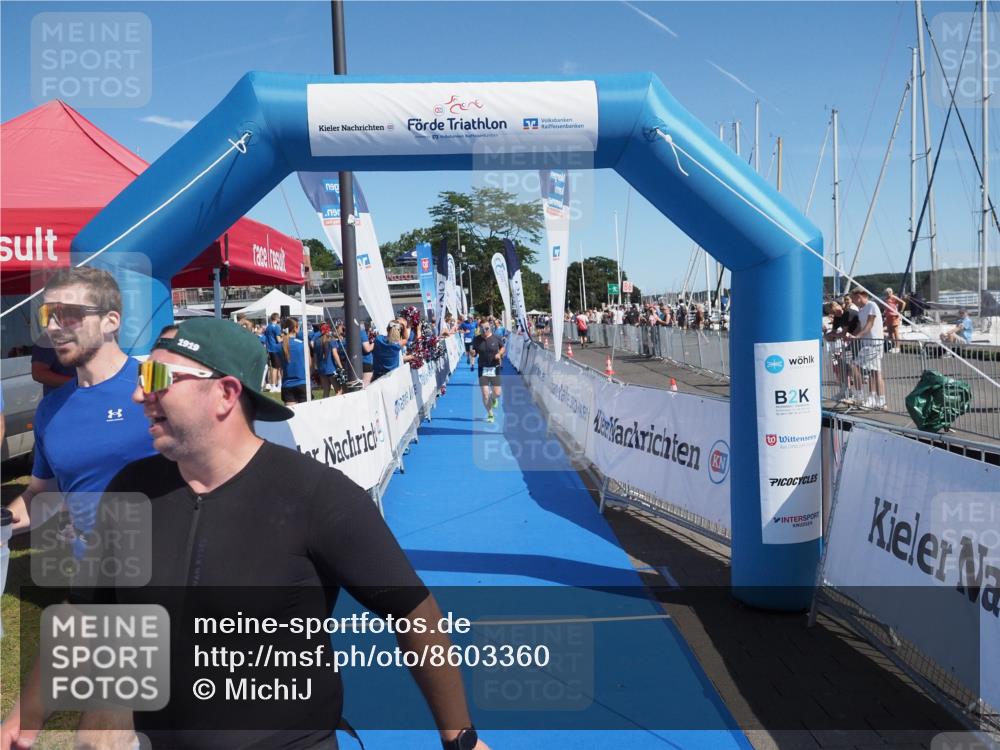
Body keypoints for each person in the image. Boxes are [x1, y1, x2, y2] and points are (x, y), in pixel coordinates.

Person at [4, 318, 490, 750]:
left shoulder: (315, 494)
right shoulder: (131, 488)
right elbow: (87, 615)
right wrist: (24, 719)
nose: (137, 393)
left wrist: (460, 738)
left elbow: (411, 610)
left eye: (155, 377)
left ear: (225, 393)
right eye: (139, 376)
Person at [5, 268, 156, 541]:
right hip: (91, 575)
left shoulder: (159, 385)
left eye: (67, 314)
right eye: (47, 315)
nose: (52, 327)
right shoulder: (50, 409)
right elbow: (44, 493)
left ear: (110, 321)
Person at [847, 288, 885, 409]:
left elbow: (870, 324)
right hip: (868, 344)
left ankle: (868, 398)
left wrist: (856, 337)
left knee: (856, 366)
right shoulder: (862, 310)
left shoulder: (871, 305)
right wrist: (852, 336)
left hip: (874, 343)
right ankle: (878, 400)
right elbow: (861, 327)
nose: (853, 302)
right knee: (874, 372)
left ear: (859, 296)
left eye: (853, 299)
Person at [471, 321, 505, 423]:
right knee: (485, 394)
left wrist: (499, 354)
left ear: (490, 328)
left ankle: (494, 399)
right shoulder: (476, 339)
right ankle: (490, 414)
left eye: (487, 328)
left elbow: (503, 348)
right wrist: (473, 353)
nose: (485, 330)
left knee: (497, 393)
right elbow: (474, 352)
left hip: (495, 367)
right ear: (479, 329)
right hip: (483, 368)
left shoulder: (496, 337)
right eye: (483, 329)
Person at [30, 330, 75, 395]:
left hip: (87, 397)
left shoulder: (86, 336)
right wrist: (77, 383)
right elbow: (38, 373)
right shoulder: (48, 338)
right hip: (62, 400)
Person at [280, 317, 308, 405]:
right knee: (305, 415)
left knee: (291, 417)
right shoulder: (302, 344)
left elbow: (278, 366)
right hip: (302, 382)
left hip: (287, 384)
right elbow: (310, 364)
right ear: (295, 328)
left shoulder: (279, 346)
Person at [263, 312, 283, 392]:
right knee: (277, 368)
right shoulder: (277, 327)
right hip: (276, 349)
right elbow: (279, 340)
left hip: (270, 349)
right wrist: (285, 336)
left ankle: (277, 385)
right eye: (279, 318)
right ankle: (276, 386)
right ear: (276, 318)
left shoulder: (268, 327)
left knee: (275, 367)